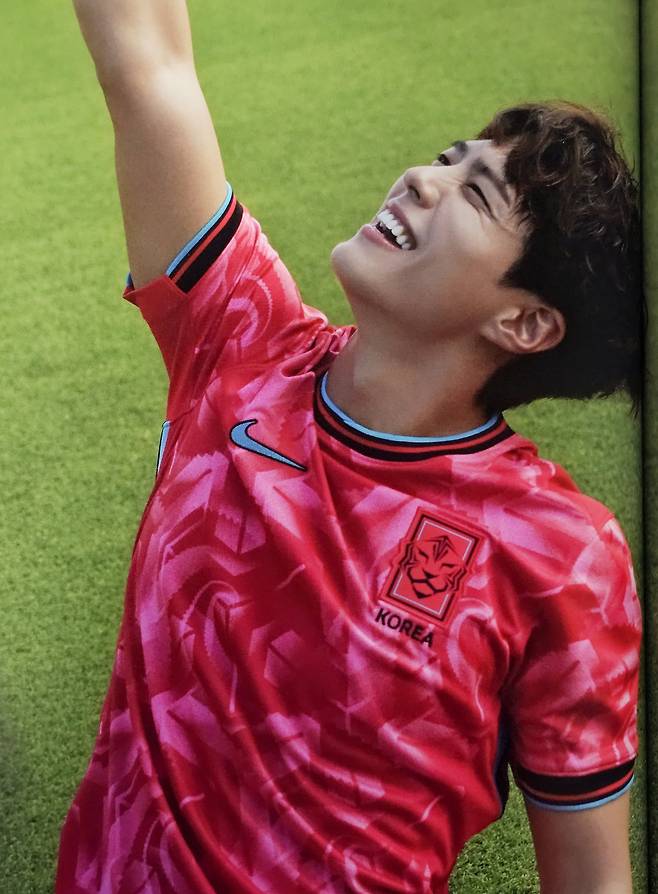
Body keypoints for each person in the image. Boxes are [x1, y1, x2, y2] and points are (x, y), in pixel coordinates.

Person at [58, 1, 644, 892]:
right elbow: (148, 69)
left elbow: (591, 881)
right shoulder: (241, 339)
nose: (421, 179)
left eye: (473, 194)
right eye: (448, 158)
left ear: (525, 322)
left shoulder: (561, 555)